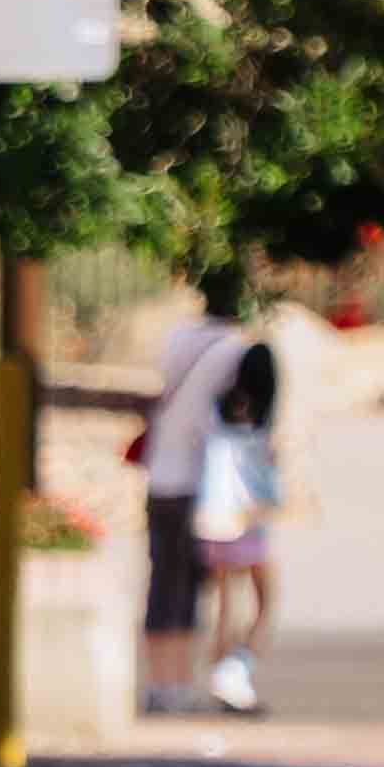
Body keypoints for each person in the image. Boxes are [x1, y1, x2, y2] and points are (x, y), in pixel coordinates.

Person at [136, 274, 257, 719]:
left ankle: (158, 682)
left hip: (159, 477)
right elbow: (236, 417)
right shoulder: (237, 349)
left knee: (160, 583)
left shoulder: (177, 337)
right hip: (200, 483)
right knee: (188, 587)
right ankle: (179, 683)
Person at [192, 332, 281, 720]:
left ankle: (222, 671)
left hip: (213, 520)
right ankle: (235, 670)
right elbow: (267, 479)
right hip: (246, 522)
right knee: (264, 601)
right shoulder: (263, 420)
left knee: (226, 604)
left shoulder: (218, 409)